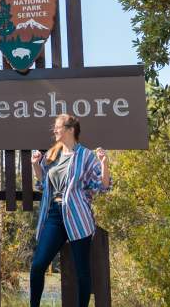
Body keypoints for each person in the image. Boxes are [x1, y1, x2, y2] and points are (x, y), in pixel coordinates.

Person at [30, 114, 112, 307]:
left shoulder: (85, 155)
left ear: (70, 130)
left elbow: (103, 186)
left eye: (57, 127)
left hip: (78, 217)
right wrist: (35, 165)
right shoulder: (52, 154)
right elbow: (42, 183)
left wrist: (104, 164)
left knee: (82, 271)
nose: (54, 130)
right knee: (38, 265)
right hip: (55, 216)